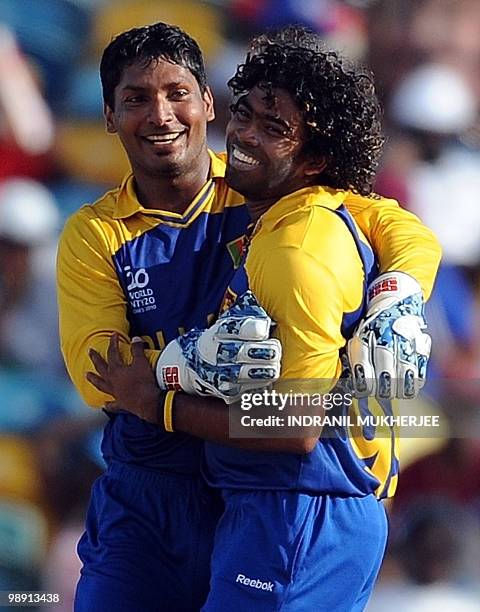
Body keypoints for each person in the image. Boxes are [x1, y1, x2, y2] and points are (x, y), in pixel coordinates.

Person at [57, 22, 441, 612]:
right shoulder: (96, 234)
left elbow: (397, 225)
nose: (161, 115)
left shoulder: (267, 191)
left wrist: (400, 290)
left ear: (206, 102)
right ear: (108, 116)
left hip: (269, 485)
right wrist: (184, 364)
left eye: (177, 93)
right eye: (136, 99)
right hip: (153, 495)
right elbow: (104, 375)